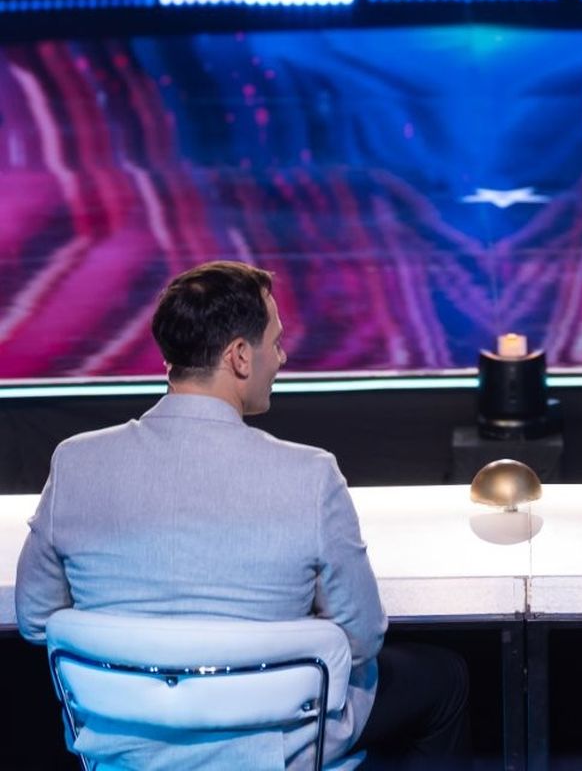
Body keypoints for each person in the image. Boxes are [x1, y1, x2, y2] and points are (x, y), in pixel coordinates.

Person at [15, 261, 468, 768]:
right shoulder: (311, 475)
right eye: (275, 342)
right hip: (272, 746)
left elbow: (35, 620)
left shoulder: (76, 463)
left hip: (126, 748)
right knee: (444, 679)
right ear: (239, 356)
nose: (282, 356)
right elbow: (362, 638)